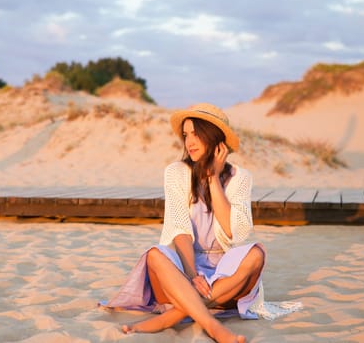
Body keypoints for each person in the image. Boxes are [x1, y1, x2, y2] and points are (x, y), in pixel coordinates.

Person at [104, 103, 265, 343]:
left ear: (214, 137)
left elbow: (234, 232)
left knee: (257, 254)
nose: (189, 141)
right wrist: (191, 275)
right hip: (184, 267)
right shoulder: (176, 172)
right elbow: (179, 230)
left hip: (224, 274)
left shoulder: (240, 178)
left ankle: (171, 317)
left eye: (196, 133)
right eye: (186, 134)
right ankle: (215, 328)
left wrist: (213, 178)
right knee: (154, 255)